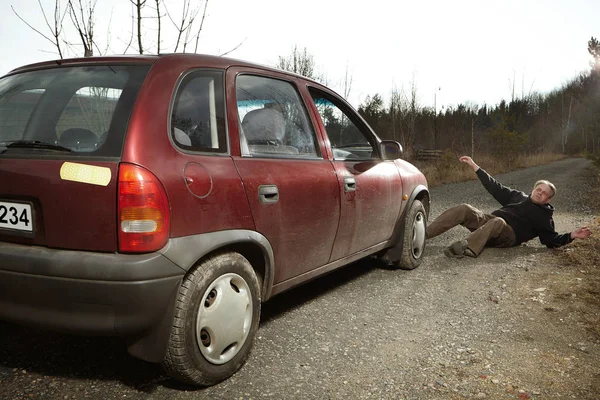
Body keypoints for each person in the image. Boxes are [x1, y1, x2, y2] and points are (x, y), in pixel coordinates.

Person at [427, 156, 592, 258]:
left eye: (544, 194)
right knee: (465, 208)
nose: (540, 193)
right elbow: (495, 187)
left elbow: (550, 240)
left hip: (507, 236)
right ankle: (423, 234)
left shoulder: (544, 216)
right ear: (533, 189)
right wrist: (475, 167)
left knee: (498, 221)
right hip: (489, 225)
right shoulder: (518, 196)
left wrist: (572, 235)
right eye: (538, 189)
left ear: (548, 199)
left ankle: (466, 247)